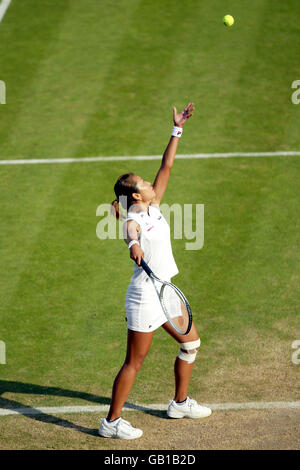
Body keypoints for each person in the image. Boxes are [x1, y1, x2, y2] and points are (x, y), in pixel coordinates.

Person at [99, 103, 211, 440]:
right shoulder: (134, 219)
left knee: (191, 344)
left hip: (164, 290)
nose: (151, 182)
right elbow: (130, 233)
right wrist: (133, 246)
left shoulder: (154, 203)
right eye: (144, 182)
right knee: (134, 361)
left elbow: (167, 164)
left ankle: (179, 402)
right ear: (136, 194)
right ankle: (111, 422)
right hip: (145, 298)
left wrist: (177, 129)